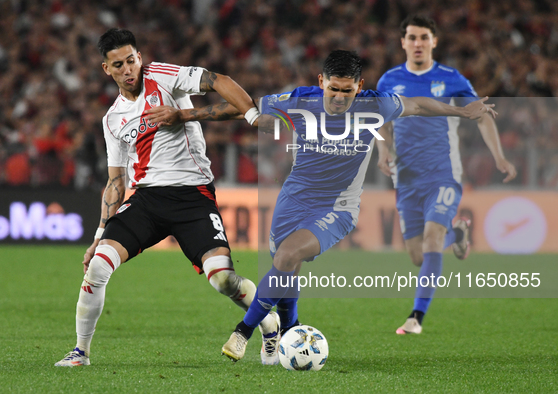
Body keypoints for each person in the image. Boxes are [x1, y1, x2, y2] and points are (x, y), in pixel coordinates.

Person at [148, 50, 499, 362]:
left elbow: (420, 105)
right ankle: (289, 333)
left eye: (348, 90)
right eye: (334, 88)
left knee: (286, 257)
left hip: (339, 207)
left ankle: (242, 333)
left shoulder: (377, 104)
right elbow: (244, 110)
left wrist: (461, 111)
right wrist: (185, 115)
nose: (340, 97)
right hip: (294, 197)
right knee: (286, 267)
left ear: (359, 86)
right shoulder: (299, 100)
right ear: (322, 82)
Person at [54, 28, 279, 367]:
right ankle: (81, 352)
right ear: (107, 69)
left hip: (193, 197)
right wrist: (99, 236)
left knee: (222, 279)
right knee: (98, 266)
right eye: (119, 64)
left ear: (140, 58)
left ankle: (268, 321)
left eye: (132, 60)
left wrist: (239, 116)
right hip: (146, 201)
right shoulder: (113, 119)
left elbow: (220, 81)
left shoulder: (163, 76)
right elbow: (116, 181)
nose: (128, 69)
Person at [375, 15, 517, 335]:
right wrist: (383, 151)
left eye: (424, 37)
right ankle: (459, 235)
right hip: (406, 178)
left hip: (443, 174)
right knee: (417, 255)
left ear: (434, 42)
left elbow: (480, 115)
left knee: (431, 239)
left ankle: (416, 317)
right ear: (403, 42)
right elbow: (381, 122)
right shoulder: (389, 80)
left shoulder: (451, 78)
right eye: (411, 37)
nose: (417, 44)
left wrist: (499, 157)